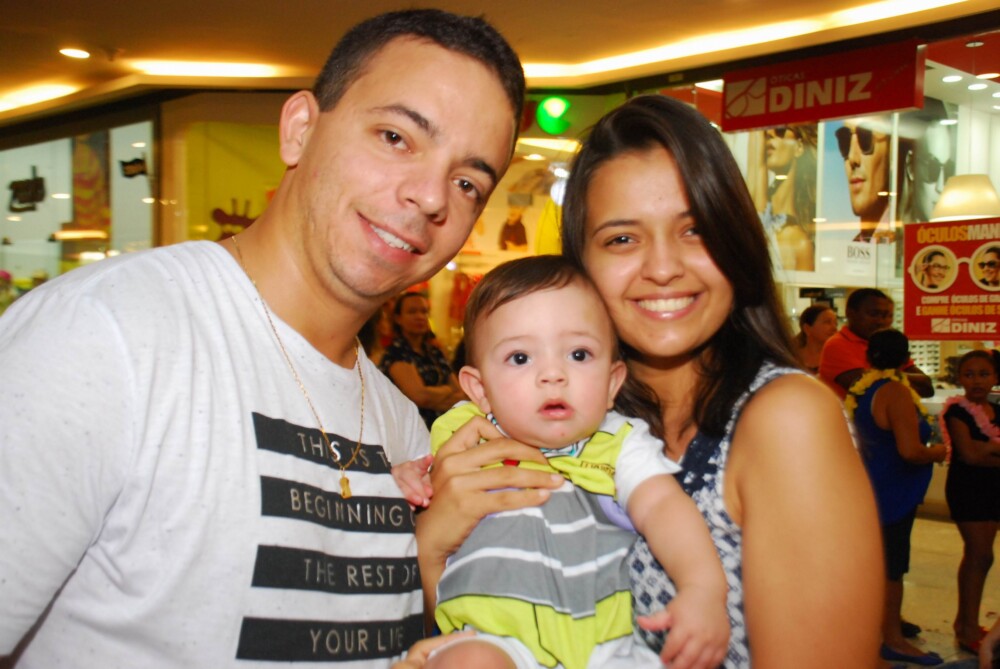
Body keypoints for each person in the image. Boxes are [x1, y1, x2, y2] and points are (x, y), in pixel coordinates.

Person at [0, 9, 530, 667]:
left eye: (467, 183)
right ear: (300, 129)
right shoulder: (105, 335)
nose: (430, 197)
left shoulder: (401, 428)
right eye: (396, 137)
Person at [418, 94, 884, 668]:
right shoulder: (566, 419)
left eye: (695, 230)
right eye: (622, 239)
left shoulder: (785, 418)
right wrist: (433, 541)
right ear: (579, 266)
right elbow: (479, 609)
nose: (663, 268)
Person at [424, 255, 729, 669]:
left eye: (579, 354)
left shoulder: (618, 443)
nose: (553, 374)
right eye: (520, 358)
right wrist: (407, 480)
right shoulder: (461, 434)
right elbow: (422, 491)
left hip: (603, 643)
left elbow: (663, 506)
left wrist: (703, 588)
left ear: (612, 383)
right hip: (491, 637)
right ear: (479, 389)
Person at [845, 328, 948, 667]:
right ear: (906, 359)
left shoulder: (864, 388)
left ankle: (870, 637)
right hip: (892, 493)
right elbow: (910, 451)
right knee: (892, 568)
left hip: (873, 487)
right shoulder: (895, 392)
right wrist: (938, 452)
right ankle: (892, 639)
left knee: (877, 566)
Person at [941, 350, 1000, 654]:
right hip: (968, 489)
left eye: (984, 374)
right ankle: (966, 628)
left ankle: (967, 622)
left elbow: (981, 452)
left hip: (994, 489)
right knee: (979, 554)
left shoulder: (997, 409)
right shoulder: (957, 412)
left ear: (995, 377)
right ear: (959, 378)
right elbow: (970, 455)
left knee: (983, 556)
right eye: (969, 374)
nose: (976, 381)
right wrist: (988, 449)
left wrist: (986, 448)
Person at [819, 287, 935, 400]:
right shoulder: (837, 345)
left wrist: (882, 376)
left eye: (887, 316)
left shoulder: (888, 343)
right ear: (850, 313)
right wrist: (898, 377)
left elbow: (926, 387)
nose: (881, 321)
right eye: (874, 314)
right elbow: (866, 388)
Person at [379, 292, 465, 428]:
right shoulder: (396, 353)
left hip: (445, 426)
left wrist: (432, 396)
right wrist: (447, 390)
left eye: (424, 312)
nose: (419, 317)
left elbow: (461, 394)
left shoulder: (434, 352)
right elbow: (419, 397)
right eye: (412, 312)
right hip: (412, 429)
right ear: (398, 318)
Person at [747, 124, 817, 271]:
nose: (770, 133)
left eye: (780, 129)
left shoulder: (800, 243)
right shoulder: (757, 206)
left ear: (799, 147)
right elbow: (756, 164)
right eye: (766, 130)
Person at [836, 116, 892, 243]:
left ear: (892, 149)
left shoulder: (901, 243)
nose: (852, 158)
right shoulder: (856, 245)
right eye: (844, 140)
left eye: (865, 137)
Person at [794, 303, 838, 373]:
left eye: (835, 323)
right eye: (827, 322)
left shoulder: (838, 357)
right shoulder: (791, 357)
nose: (834, 328)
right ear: (807, 328)